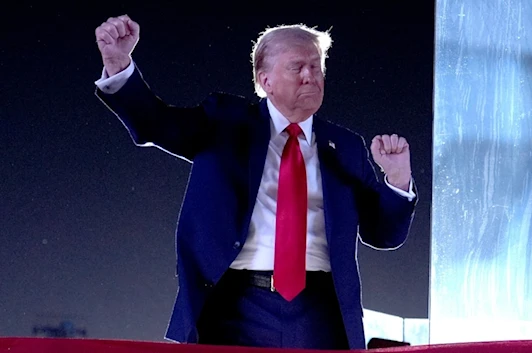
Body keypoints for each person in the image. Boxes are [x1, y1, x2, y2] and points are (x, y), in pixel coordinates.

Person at [93, 14, 418, 350]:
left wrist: (396, 179)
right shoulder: (224, 122)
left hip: (322, 313)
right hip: (236, 308)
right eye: (296, 67)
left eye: (316, 66)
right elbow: (154, 123)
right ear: (265, 80)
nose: (310, 76)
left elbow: (383, 235)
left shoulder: (346, 146)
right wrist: (119, 66)